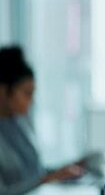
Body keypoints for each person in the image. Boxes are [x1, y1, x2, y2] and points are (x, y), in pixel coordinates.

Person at [0, 46, 85, 194]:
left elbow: (35, 173)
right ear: (3, 90)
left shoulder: (19, 123)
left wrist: (66, 169)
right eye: (27, 93)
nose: (31, 101)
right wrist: (46, 180)